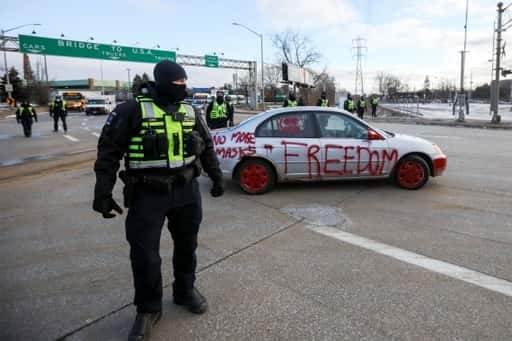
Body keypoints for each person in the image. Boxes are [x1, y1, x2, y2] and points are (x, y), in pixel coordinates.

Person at [93, 60, 224, 341]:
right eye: (178, 83)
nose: (183, 88)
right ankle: (148, 308)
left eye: (185, 82)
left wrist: (216, 176)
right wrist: (102, 191)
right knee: (145, 255)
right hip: (146, 194)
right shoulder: (131, 110)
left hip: (187, 190)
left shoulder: (191, 110)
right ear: (162, 82)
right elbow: (108, 152)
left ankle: (185, 290)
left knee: (187, 245)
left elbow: (207, 146)